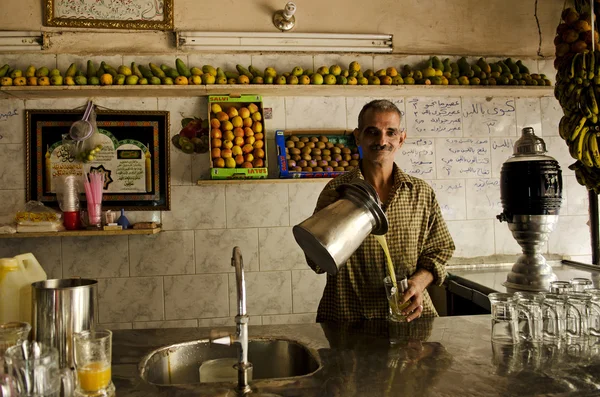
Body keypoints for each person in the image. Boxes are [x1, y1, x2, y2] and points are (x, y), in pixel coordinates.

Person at [306, 99, 455, 323]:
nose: (382, 140)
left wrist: (418, 283)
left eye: (390, 132)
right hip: (348, 321)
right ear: (358, 137)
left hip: (409, 319)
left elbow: (440, 251)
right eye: (372, 132)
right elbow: (317, 263)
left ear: (401, 138)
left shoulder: (420, 193)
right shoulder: (337, 192)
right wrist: (324, 220)